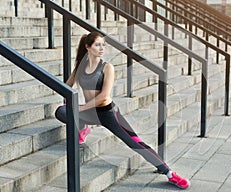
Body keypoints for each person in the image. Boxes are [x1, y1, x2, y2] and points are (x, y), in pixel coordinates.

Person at [55, 31, 190, 189]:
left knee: (135, 142)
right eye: (97, 45)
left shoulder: (107, 68)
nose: (101, 48)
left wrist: (80, 108)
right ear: (88, 47)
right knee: (61, 111)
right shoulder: (80, 67)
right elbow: (67, 86)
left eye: (103, 45)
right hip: (89, 112)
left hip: (108, 113)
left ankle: (169, 173)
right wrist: (68, 100)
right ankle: (84, 127)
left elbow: (104, 96)